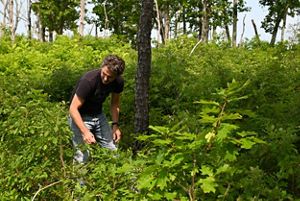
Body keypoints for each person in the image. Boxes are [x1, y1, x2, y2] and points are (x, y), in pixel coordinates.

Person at [68, 55, 125, 164]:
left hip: (98, 115)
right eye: (104, 74)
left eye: (110, 77)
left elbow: (115, 103)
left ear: (117, 76)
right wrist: (85, 132)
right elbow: (73, 108)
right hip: (80, 116)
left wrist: (115, 125)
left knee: (112, 150)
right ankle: (78, 181)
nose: (105, 79)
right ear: (102, 66)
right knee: (82, 155)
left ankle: (116, 179)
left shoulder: (118, 82)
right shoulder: (89, 80)